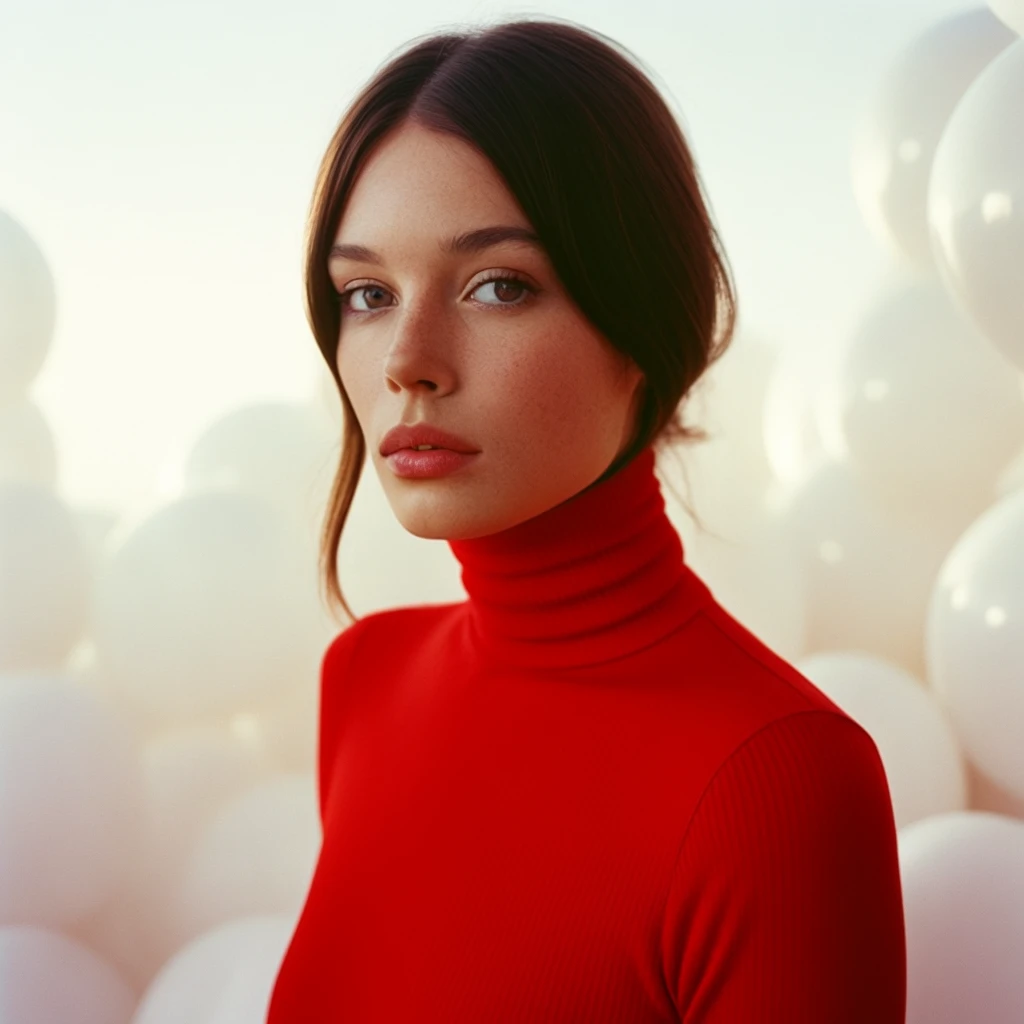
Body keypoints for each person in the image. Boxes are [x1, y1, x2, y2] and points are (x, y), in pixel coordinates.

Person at [266, 14, 906, 1022]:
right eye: (366, 292)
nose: (405, 360)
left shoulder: (779, 782)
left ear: (643, 320)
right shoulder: (364, 682)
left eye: (496, 284)